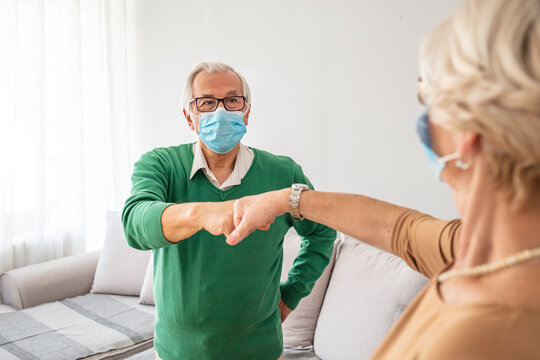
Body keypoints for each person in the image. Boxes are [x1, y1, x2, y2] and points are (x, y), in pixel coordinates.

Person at [226, 0, 540, 358]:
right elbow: (397, 228)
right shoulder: (480, 247)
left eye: (428, 96)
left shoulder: (483, 335)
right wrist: (286, 200)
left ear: (470, 134)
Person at [122, 61, 336, 360]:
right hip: (176, 352)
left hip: (259, 351)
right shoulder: (161, 165)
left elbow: (322, 233)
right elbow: (135, 223)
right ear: (189, 117)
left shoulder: (283, 173)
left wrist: (292, 292)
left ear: (246, 111)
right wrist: (203, 214)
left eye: (232, 100)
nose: (220, 111)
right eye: (207, 103)